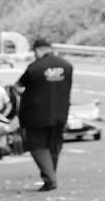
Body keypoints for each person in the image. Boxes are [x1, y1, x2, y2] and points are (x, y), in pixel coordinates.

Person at [15, 37, 73, 191]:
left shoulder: (35, 68)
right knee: (55, 146)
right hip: (60, 114)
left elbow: (19, 86)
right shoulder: (66, 66)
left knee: (37, 146)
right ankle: (50, 176)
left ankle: (50, 178)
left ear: (39, 50)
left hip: (36, 116)